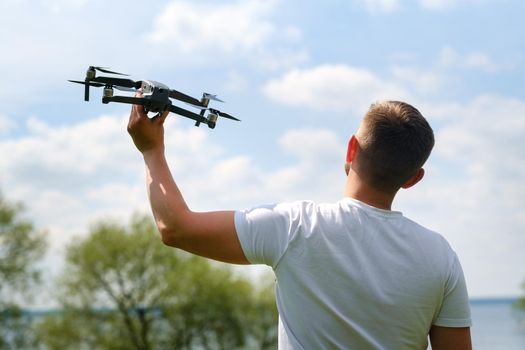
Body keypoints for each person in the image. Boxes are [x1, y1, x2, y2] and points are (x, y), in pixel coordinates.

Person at [127, 98, 472, 349]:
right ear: (414, 179)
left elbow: (175, 227)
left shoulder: (295, 227)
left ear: (351, 150)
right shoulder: (441, 257)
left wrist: (151, 151)